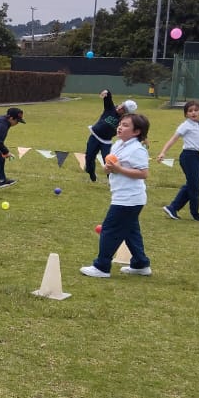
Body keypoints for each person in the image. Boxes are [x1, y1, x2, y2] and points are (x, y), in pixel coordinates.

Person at [81, 113, 153, 278]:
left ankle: (101, 266)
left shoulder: (137, 149)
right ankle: (141, 264)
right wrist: (109, 168)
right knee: (130, 232)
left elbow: (143, 173)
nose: (120, 127)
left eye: (126, 125)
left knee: (109, 230)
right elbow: (113, 164)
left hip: (129, 199)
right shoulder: (118, 144)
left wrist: (119, 169)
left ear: (136, 132)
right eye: (120, 124)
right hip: (121, 195)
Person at [84, 90, 137, 182]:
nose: (120, 108)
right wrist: (106, 92)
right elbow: (108, 97)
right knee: (89, 157)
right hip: (95, 136)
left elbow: (133, 128)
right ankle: (91, 173)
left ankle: (111, 180)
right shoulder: (110, 108)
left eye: (123, 109)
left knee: (109, 161)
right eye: (122, 105)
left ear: (126, 113)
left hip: (106, 142)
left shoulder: (124, 119)